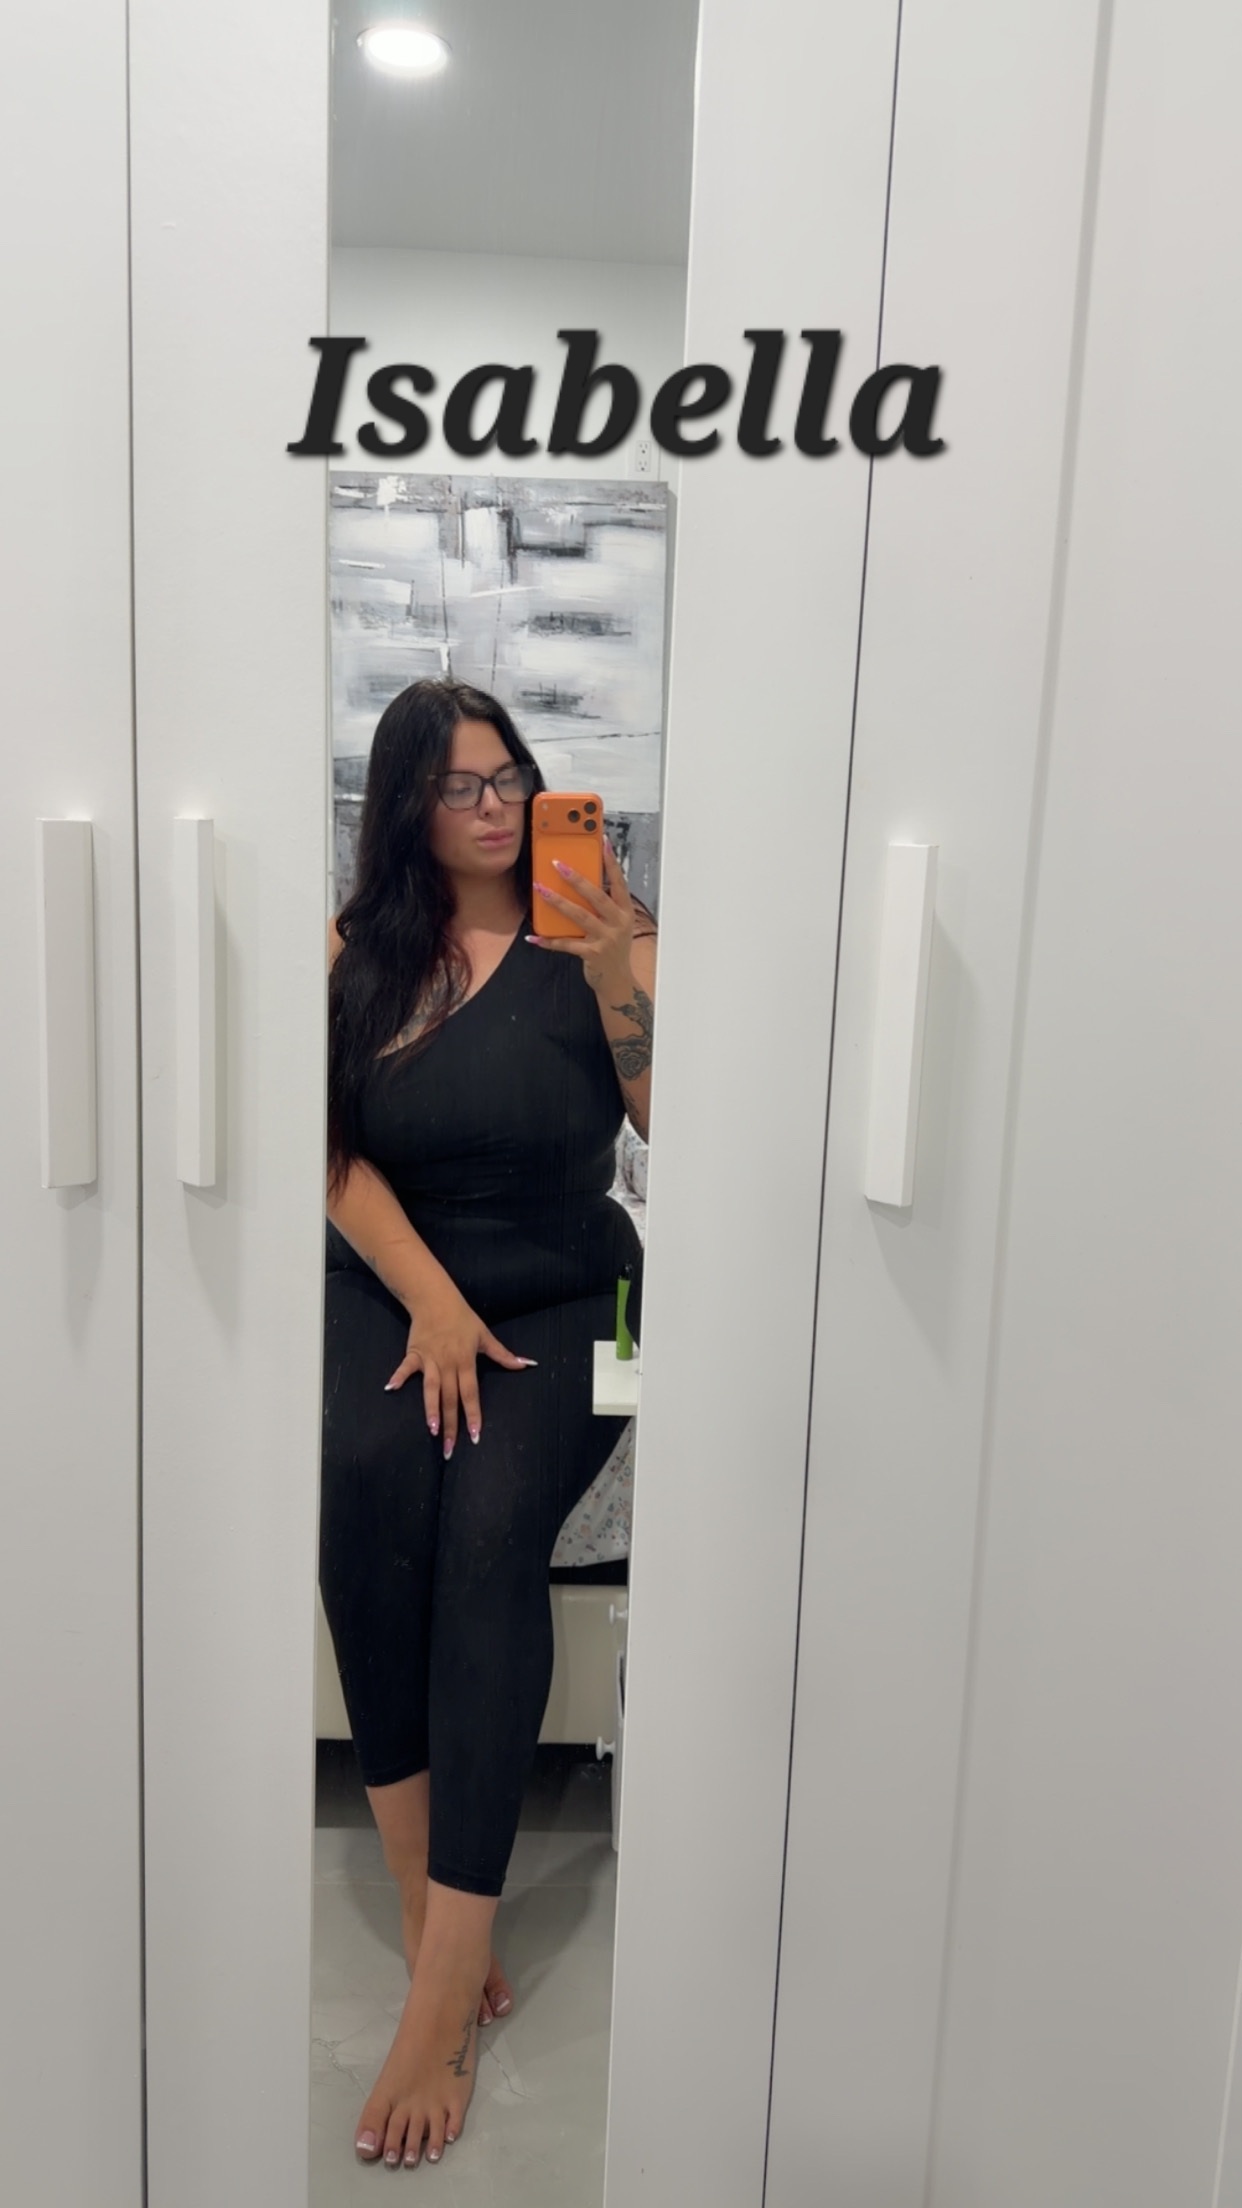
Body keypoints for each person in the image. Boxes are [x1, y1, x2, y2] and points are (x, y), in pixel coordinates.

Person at [319, 677, 657, 2170]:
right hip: (395, 1277)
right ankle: (422, 1895)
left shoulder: (607, 930)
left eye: (509, 775)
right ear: (406, 804)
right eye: (458, 784)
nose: (496, 806)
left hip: (565, 1280)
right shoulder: (358, 952)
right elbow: (327, 1150)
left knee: (491, 1528)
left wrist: (616, 966)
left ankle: (447, 1974)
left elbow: (672, 1117)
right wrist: (432, 1304)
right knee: (364, 1481)